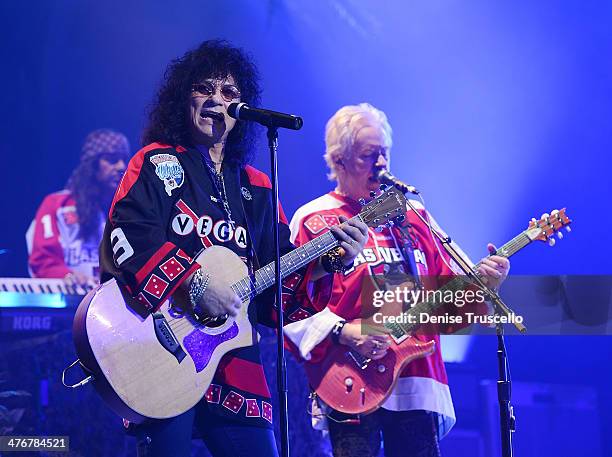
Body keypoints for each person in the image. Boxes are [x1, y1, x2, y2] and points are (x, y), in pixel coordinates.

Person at [98, 40, 367, 457]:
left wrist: (329, 262)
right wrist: (194, 282)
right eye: (205, 88)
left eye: (230, 94)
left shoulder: (258, 188)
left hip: (235, 364)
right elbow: (127, 233)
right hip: (163, 353)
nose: (216, 101)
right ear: (183, 96)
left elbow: (277, 295)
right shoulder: (154, 163)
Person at [285, 103, 511, 457]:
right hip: (349, 378)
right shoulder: (314, 218)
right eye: (368, 155)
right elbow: (289, 303)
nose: (380, 164)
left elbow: (447, 312)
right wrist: (344, 331)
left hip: (418, 380)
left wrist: (485, 285)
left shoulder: (415, 217)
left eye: (384, 154)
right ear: (339, 160)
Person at [27, 129, 130, 288]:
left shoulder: (127, 210)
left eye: (124, 159)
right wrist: (66, 275)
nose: (121, 166)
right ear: (92, 165)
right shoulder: (57, 205)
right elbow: (43, 260)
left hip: (113, 304)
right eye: (112, 160)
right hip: (67, 301)